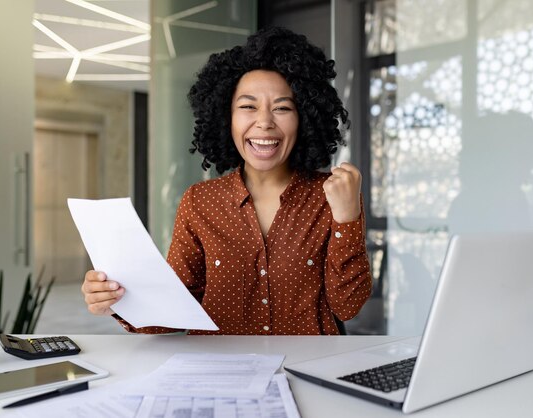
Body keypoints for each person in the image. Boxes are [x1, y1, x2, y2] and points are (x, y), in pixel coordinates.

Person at [81, 27, 372, 335]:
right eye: (248, 106)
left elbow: (347, 307)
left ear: (304, 118)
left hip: (305, 370)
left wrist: (347, 218)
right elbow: (174, 308)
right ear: (225, 116)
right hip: (218, 374)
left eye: (282, 108)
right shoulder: (199, 201)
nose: (264, 122)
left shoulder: (332, 196)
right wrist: (117, 299)